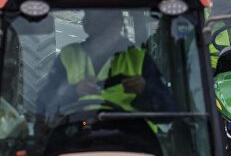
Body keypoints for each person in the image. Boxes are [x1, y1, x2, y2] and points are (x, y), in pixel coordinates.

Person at [37, 9, 172, 114]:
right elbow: (44, 105)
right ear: (86, 24)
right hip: (79, 131)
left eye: (110, 20)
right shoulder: (68, 56)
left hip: (130, 135)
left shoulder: (139, 59)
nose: (105, 27)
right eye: (99, 21)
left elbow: (168, 112)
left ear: (120, 23)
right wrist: (74, 91)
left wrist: (145, 90)